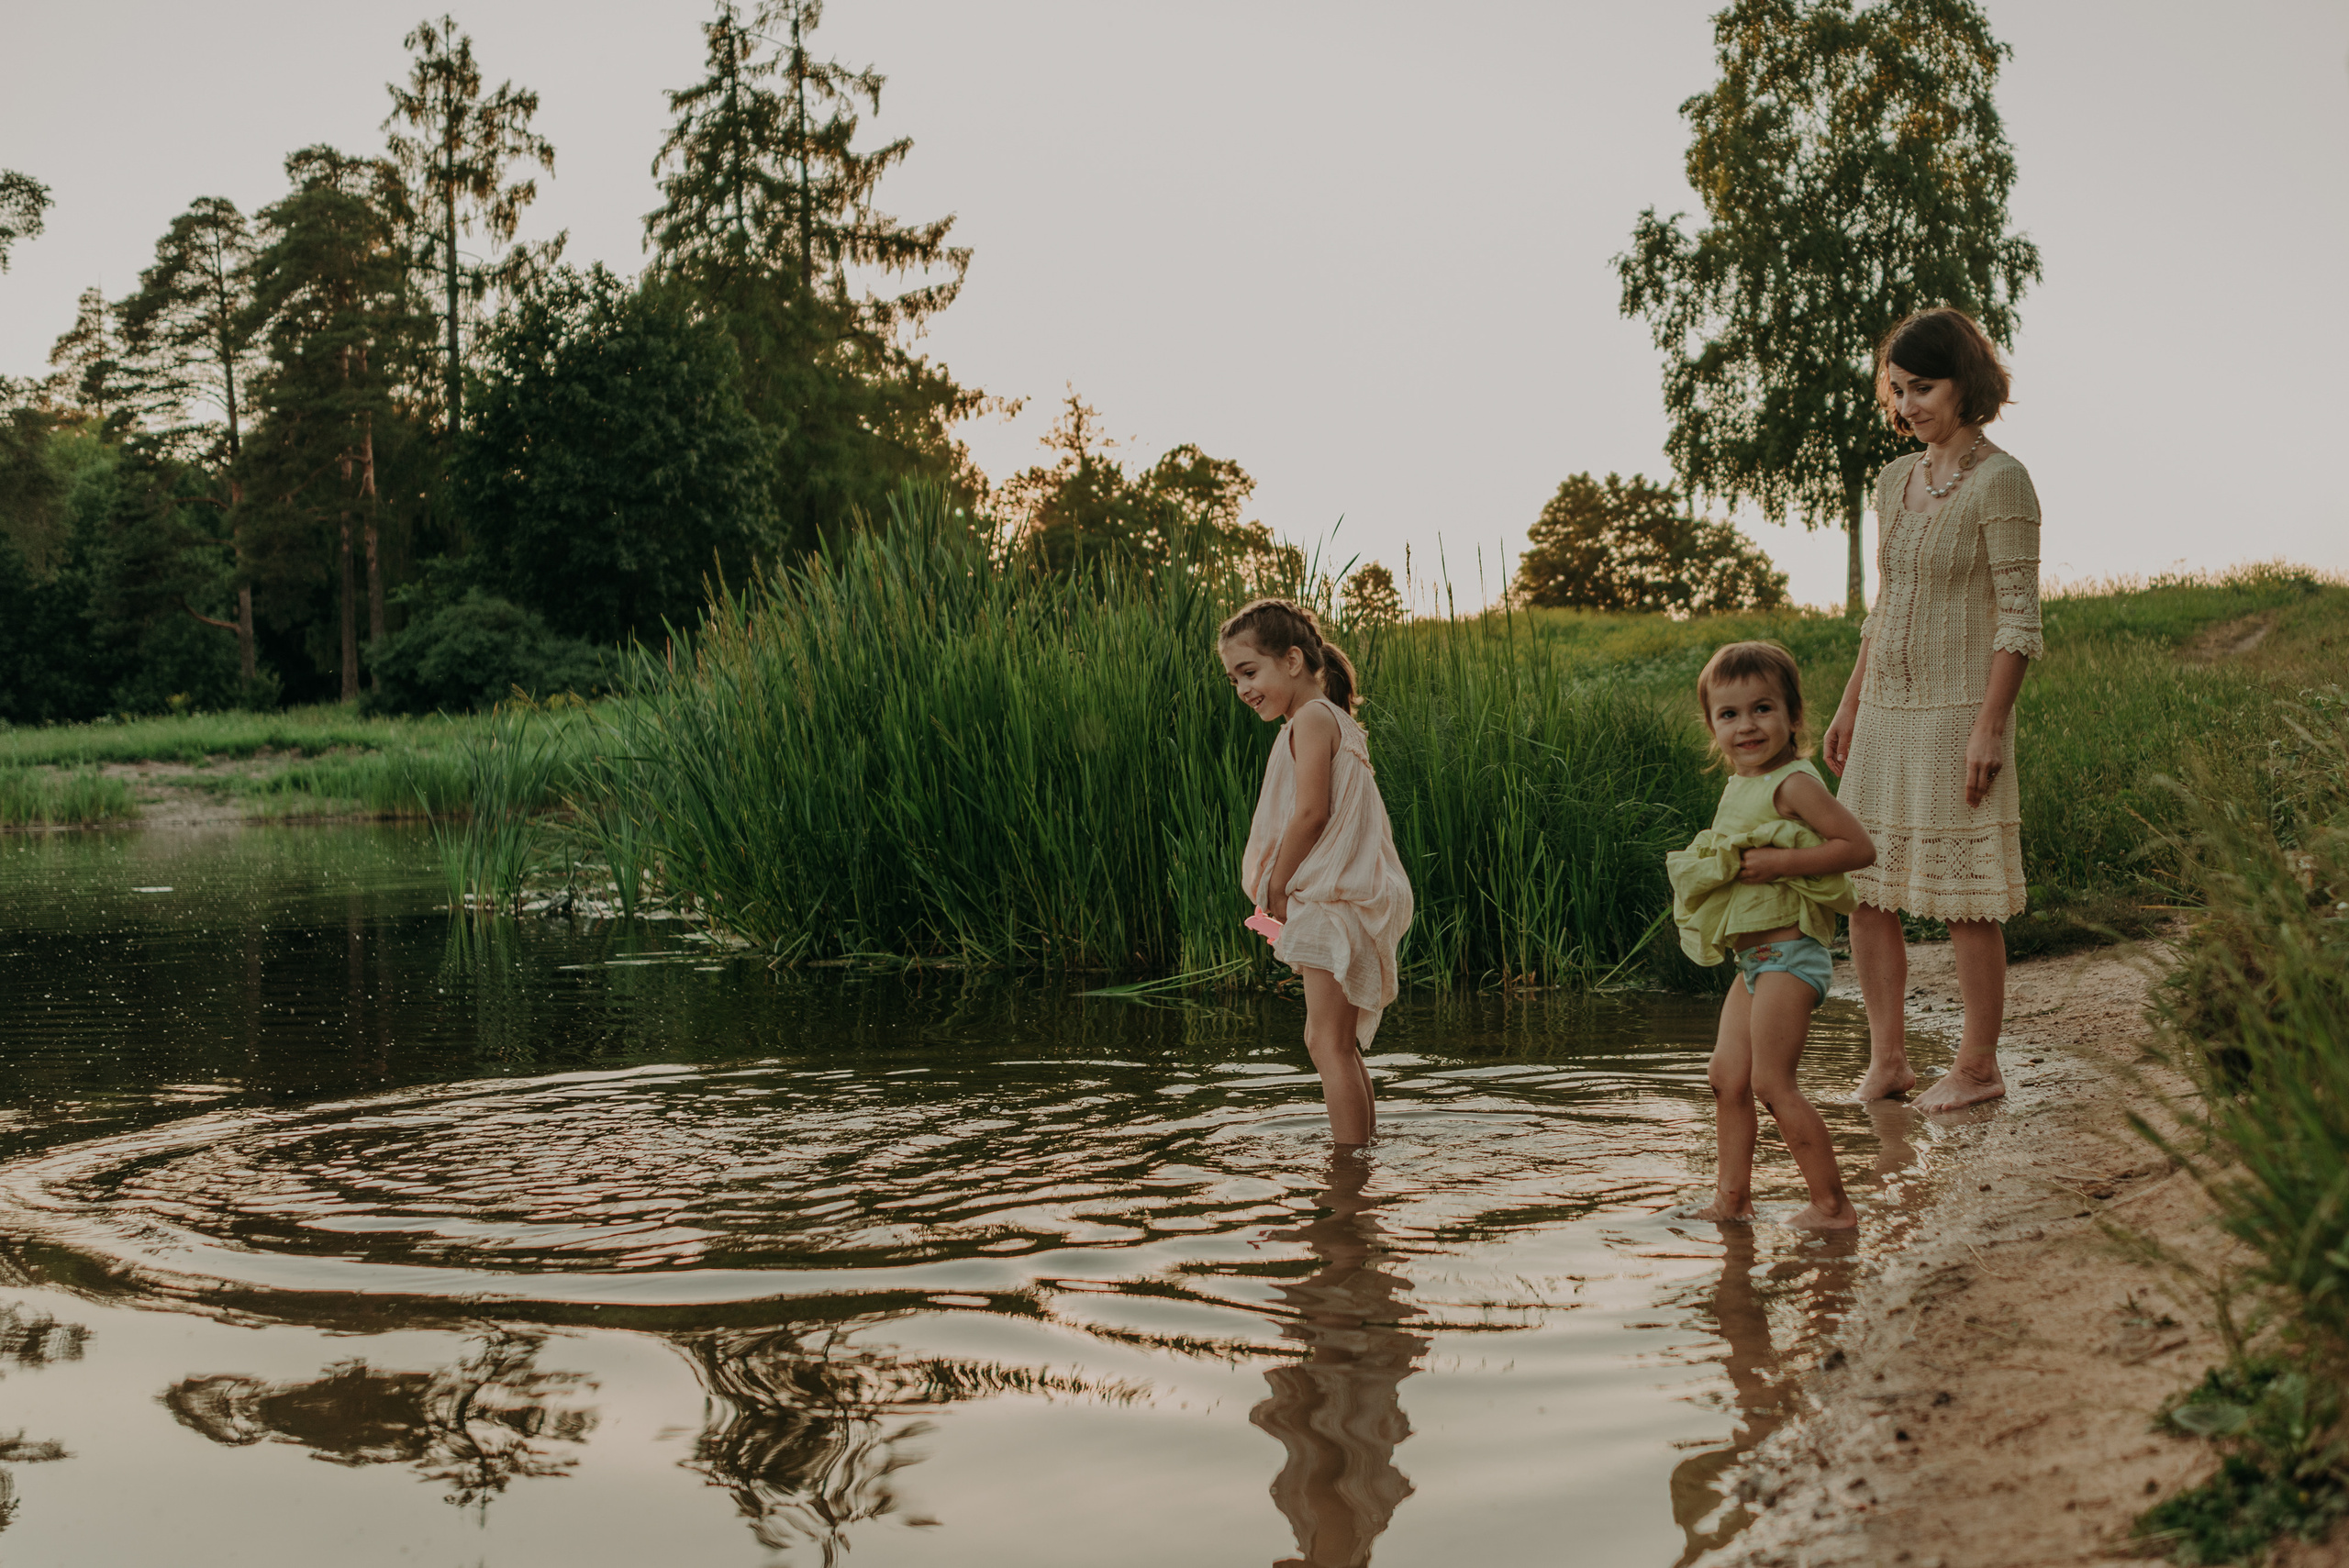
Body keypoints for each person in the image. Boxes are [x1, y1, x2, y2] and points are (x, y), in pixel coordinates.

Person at [1822, 307, 2044, 1110]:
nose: (1911, 403)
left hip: (1959, 713)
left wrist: (1991, 724)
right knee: (1864, 887)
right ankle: (1889, 1062)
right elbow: (1886, 606)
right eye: (1899, 388)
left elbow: (2019, 619)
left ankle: (1979, 1067)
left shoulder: (2002, 480)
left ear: (1966, 384)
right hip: (1885, 710)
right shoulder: (1893, 480)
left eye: (1926, 387)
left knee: (1967, 895)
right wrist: (1850, 703)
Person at [1668, 642, 1876, 1229]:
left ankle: (1832, 1207)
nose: (1747, 726)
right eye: (1729, 715)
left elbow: (1858, 848)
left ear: (1792, 716)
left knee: (1770, 1083)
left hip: (1791, 955)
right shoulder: (1741, 785)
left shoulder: (1792, 783)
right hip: (1753, 962)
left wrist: (1780, 865)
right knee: (1725, 1076)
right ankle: (1733, 1200)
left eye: (1763, 709)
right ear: (1712, 726)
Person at [1223, 599, 1414, 1146]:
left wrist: (1277, 890)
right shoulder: (1333, 721)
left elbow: (1311, 812)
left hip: (1331, 900)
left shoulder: (1310, 718)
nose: (1242, 689)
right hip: (1336, 900)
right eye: (1233, 678)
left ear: (1291, 660)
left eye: (1250, 671)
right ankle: (1364, 1155)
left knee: (1324, 1043)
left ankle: (1348, 1173)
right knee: (1336, 1042)